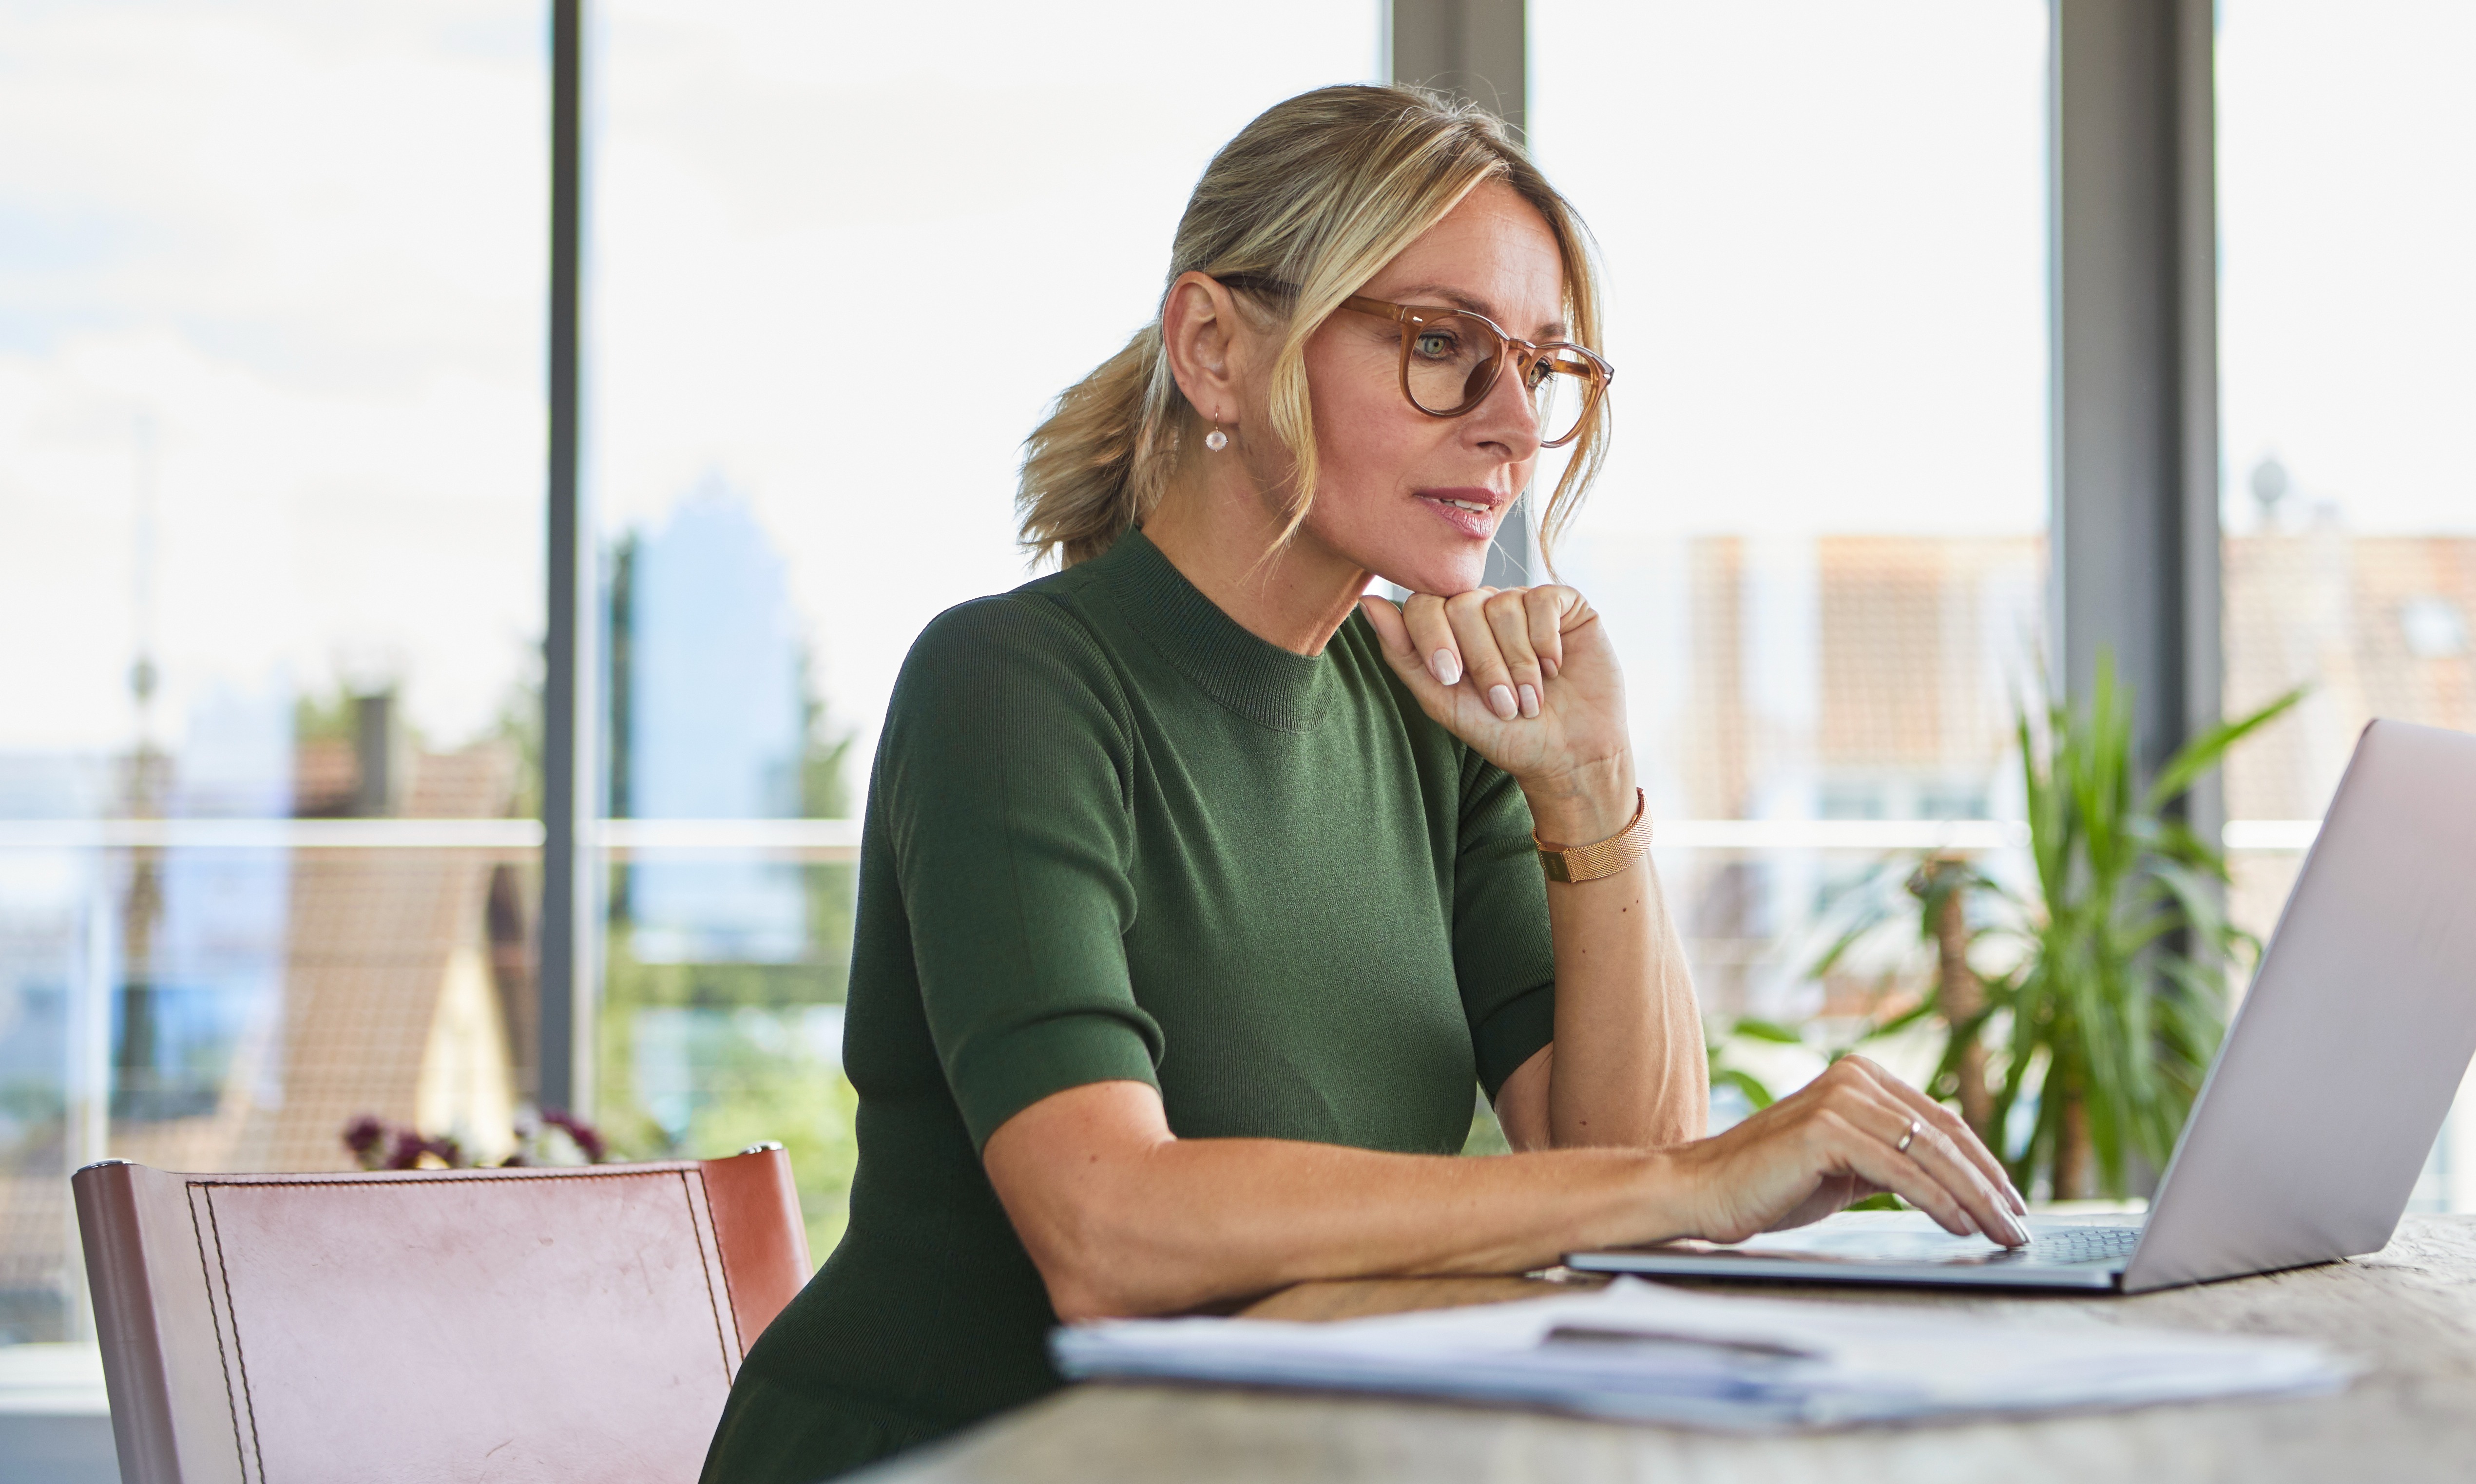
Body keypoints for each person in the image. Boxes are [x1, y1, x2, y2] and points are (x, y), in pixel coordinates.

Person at [699, 84, 2027, 1483]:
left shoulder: (1429, 717)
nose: (1515, 423)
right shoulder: (1012, 685)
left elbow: (1627, 1180)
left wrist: (1590, 792)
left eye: (1544, 368)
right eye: (1445, 347)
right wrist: (1700, 1177)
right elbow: (1109, 1232)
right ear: (1214, 348)